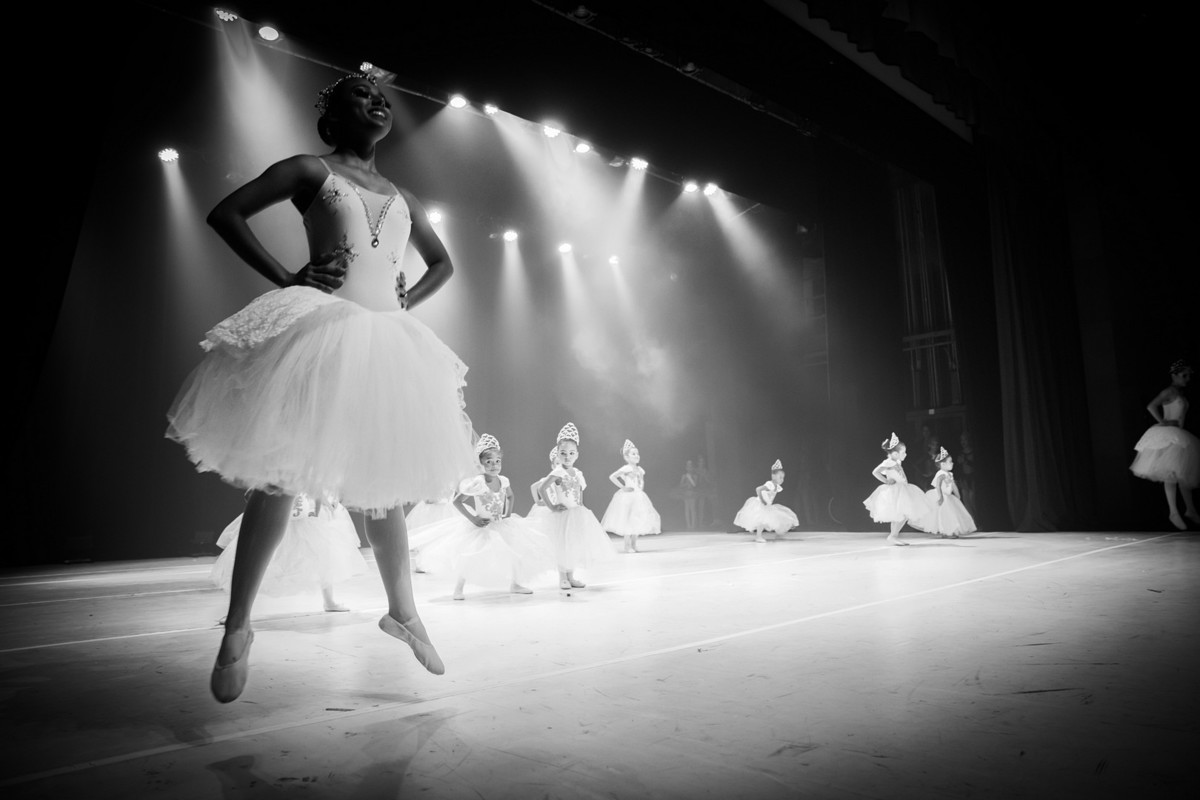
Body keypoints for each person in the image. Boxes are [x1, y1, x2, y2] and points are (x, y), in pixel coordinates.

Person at [165, 69, 478, 702]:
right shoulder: (311, 170)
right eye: (361, 95)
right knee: (279, 476)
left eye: (381, 96)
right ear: (332, 117)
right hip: (324, 335)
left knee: (384, 484)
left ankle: (403, 612)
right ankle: (239, 625)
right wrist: (287, 277)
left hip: (386, 344)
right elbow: (227, 214)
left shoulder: (403, 196)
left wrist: (407, 298)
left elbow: (443, 262)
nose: (377, 101)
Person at [406, 434, 555, 599]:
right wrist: (473, 519)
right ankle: (459, 589)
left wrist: (507, 513)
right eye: (489, 462)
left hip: (501, 523)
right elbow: (457, 501)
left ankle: (516, 583)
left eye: (497, 461)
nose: (494, 465)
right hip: (482, 524)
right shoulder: (478, 482)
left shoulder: (503, 480)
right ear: (481, 464)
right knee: (469, 556)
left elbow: (510, 496)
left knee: (516, 551)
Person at [211, 494, 365, 617]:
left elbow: (318, 479)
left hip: (307, 504)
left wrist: (322, 500)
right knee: (259, 556)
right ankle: (237, 611)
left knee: (322, 552)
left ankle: (329, 601)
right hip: (287, 501)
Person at [533, 422, 618, 589]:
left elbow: (579, 492)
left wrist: (581, 508)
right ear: (557, 454)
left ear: (577, 455)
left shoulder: (578, 473)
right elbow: (542, 488)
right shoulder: (558, 472)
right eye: (563, 453)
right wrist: (552, 507)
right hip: (562, 515)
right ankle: (562, 578)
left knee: (573, 545)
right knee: (562, 546)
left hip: (576, 513)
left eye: (571, 453)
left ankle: (571, 577)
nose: (567, 457)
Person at [1130, 359, 1200, 530]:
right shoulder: (1169, 391)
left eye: (1188, 375)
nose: (1187, 378)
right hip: (1169, 434)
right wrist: (1163, 422)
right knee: (1170, 472)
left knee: (1182, 473)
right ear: (1174, 375)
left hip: (1179, 435)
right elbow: (1151, 406)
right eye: (1184, 375)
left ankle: (1190, 510)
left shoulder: (1179, 393)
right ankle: (1173, 512)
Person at [863, 433, 932, 546]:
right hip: (896, 491)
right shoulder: (888, 462)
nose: (905, 454)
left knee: (903, 515)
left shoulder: (897, 462)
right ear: (895, 454)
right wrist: (886, 481)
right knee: (900, 515)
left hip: (903, 489)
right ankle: (893, 536)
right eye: (903, 452)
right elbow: (875, 472)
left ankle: (893, 535)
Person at [600, 439, 662, 553]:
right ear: (627, 457)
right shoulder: (627, 468)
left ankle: (634, 545)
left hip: (638, 497)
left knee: (637, 521)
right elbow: (612, 476)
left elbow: (641, 482)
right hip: (628, 497)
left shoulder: (640, 470)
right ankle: (627, 546)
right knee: (628, 521)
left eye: (637, 453)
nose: (636, 455)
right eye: (633, 454)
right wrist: (623, 487)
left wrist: (640, 492)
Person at [913, 447, 977, 538]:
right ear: (942, 464)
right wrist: (941, 497)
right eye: (950, 462)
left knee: (950, 515)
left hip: (948, 496)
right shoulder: (941, 473)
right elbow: (938, 485)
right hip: (941, 496)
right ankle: (946, 532)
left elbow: (953, 485)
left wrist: (958, 495)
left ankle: (949, 531)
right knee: (944, 515)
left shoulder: (950, 474)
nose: (952, 463)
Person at [732, 459, 799, 542]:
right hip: (760, 504)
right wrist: (763, 500)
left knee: (778, 518)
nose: (782, 480)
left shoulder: (776, 486)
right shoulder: (770, 484)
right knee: (761, 521)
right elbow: (758, 489)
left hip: (767, 505)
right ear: (774, 476)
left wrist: (767, 503)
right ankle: (758, 537)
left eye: (783, 478)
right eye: (780, 477)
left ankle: (779, 534)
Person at [675, 460, 699, 530]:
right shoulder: (684, 476)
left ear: (692, 467)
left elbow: (695, 485)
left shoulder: (695, 476)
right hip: (686, 493)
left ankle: (693, 525)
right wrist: (685, 484)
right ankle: (688, 525)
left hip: (692, 493)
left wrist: (690, 479)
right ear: (686, 468)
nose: (689, 468)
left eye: (691, 466)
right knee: (687, 509)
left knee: (693, 509)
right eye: (688, 466)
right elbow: (681, 485)